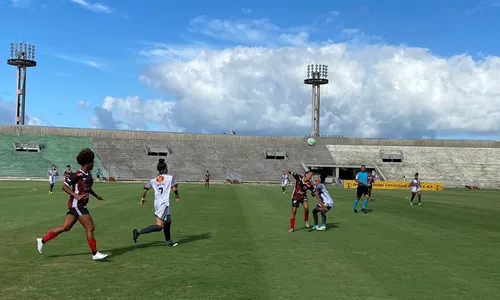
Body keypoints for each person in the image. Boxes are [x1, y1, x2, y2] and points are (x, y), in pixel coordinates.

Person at [36, 148, 108, 260]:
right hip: (77, 205)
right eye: (92, 162)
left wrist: (96, 195)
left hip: (78, 205)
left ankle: (42, 240)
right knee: (90, 227)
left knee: (66, 227)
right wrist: (77, 196)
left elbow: (87, 188)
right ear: (88, 163)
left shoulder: (88, 174)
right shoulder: (76, 175)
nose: (93, 164)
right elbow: (64, 187)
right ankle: (95, 254)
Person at [132, 159, 179, 247]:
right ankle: (138, 231)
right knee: (159, 227)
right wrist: (177, 195)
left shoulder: (154, 180)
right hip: (163, 204)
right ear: (165, 169)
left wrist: (143, 198)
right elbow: (174, 189)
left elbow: (145, 189)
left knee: (168, 221)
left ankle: (168, 242)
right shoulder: (170, 177)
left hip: (157, 203)